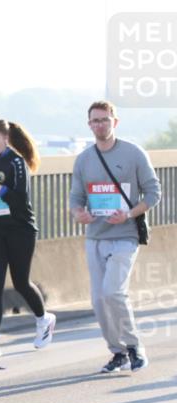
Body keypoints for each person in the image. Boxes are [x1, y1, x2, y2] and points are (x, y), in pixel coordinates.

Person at [69, 101, 160, 373]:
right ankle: (118, 352)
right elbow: (76, 198)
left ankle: (134, 346)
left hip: (125, 235)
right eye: (95, 121)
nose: (100, 125)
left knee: (113, 292)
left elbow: (153, 193)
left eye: (105, 120)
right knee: (98, 300)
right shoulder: (84, 159)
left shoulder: (134, 153)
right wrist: (78, 213)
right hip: (95, 237)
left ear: (115, 122)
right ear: (89, 125)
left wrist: (129, 214)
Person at [0, 119, 56, 358]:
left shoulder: (17, 162)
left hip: (20, 229)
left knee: (20, 282)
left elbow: (19, 199)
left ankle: (44, 319)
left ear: (6, 139)